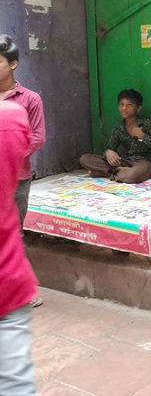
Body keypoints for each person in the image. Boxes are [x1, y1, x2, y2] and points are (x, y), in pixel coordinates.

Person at [0, 101, 38, 395]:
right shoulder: (11, 116)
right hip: (10, 279)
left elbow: (37, 138)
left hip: (8, 283)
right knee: (16, 382)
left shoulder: (23, 105)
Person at [0, 35, 45, 229]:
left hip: (17, 176)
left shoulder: (30, 99)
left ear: (13, 64)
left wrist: (9, 153)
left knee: (13, 229)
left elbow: (37, 137)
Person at [79, 89, 151, 184]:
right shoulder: (118, 127)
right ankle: (120, 173)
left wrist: (142, 136)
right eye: (121, 104)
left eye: (129, 105)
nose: (124, 108)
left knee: (132, 175)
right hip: (126, 162)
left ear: (138, 108)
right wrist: (108, 152)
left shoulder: (146, 124)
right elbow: (110, 148)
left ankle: (107, 173)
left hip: (145, 163)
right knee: (84, 159)